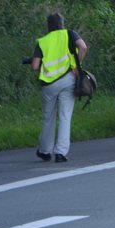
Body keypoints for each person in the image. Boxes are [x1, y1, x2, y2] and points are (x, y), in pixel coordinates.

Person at [29, 12, 88, 163]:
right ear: (62, 23)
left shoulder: (42, 41)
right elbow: (83, 47)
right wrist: (77, 65)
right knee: (64, 116)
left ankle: (45, 151)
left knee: (48, 117)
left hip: (49, 84)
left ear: (48, 26)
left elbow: (35, 66)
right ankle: (61, 153)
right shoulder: (70, 34)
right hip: (68, 79)